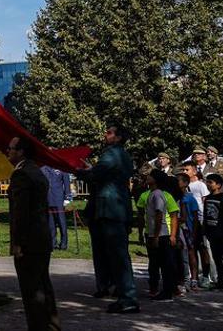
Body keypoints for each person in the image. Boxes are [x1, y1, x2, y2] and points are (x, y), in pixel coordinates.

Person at [6, 136, 61, 331]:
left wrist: (17, 242)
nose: (7, 152)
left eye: (10, 149)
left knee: (33, 292)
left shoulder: (21, 174)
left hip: (29, 240)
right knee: (44, 287)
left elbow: (21, 212)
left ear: (21, 152)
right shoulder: (36, 172)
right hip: (41, 237)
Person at [77, 125, 139, 313]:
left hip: (110, 209)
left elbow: (96, 174)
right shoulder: (120, 154)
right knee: (114, 254)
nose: (106, 134)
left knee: (118, 255)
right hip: (114, 208)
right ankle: (121, 293)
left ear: (118, 137)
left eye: (110, 132)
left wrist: (76, 169)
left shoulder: (112, 153)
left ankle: (128, 298)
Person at [144, 171, 180, 301]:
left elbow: (159, 215)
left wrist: (156, 235)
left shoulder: (158, 194)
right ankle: (164, 290)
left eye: (151, 176)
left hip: (161, 234)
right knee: (157, 262)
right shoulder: (152, 194)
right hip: (156, 233)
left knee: (165, 264)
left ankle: (168, 291)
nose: (147, 177)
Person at [41, 165, 73, 250]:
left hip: (58, 198)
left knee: (61, 222)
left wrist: (67, 197)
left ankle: (63, 244)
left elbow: (66, 182)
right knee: (50, 223)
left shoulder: (61, 167)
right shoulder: (43, 168)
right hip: (47, 198)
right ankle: (52, 243)